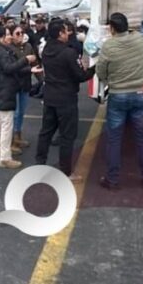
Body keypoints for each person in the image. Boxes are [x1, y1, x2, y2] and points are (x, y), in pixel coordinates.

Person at [96, 13, 143, 190]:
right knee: (141, 137)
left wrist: (107, 80)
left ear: (112, 28)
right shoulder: (138, 40)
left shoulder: (109, 46)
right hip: (138, 94)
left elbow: (100, 71)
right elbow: (135, 32)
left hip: (118, 95)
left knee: (114, 139)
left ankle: (112, 180)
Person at [35, 20, 96, 181]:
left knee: (46, 132)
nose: (67, 34)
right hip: (66, 98)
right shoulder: (68, 53)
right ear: (60, 34)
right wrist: (94, 68)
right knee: (67, 136)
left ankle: (40, 163)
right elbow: (80, 76)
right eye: (65, 31)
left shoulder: (47, 49)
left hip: (50, 96)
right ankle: (66, 171)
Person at [0, 25, 37, 169]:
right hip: (5, 91)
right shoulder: (1, 52)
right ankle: (5, 157)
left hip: (0, 90)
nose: (10, 36)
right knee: (7, 124)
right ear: (1, 37)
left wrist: (27, 67)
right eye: (8, 34)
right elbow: (9, 68)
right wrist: (26, 60)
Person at [11, 25, 36, 151]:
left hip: (25, 84)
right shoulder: (9, 48)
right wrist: (28, 67)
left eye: (22, 33)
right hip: (14, 85)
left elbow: (34, 63)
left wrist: (42, 80)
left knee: (21, 112)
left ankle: (18, 135)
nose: (20, 35)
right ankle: (12, 139)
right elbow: (13, 68)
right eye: (17, 33)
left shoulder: (28, 46)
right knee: (15, 113)